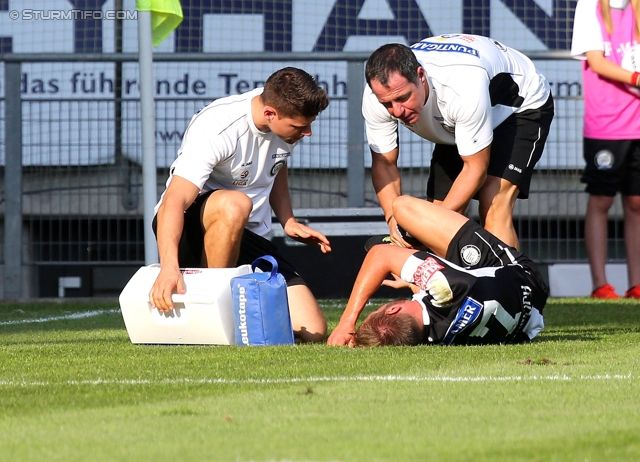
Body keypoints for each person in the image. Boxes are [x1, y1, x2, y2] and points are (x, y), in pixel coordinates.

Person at [149, 67, 332, 342]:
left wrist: (288, 220)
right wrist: (168, 267)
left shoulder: (285, 124)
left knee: (314, 330)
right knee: (235, 204)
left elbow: (275, 166)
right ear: (270, 113)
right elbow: (174, 201)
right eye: (300, 127)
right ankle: (208, 320)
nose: (308, 133)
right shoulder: (219, 125)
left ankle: (227, 316)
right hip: (194, 230)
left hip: (248, 236)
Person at [363, 34, 555, 249]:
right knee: (437, 208)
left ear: (421, 76)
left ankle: (513, 282)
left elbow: (476, 167)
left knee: (493, 204)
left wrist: (427, 227)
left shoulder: (462, 86)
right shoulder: (376, 97)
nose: (397, 111)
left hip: (518, 107)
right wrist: (395, 224)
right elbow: (384, 164)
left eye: (403, 98)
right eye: (387, 103)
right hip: (461, 119)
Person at [327, 196, 548, 347]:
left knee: (435, 282)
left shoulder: (437, 338)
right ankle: (415, 247)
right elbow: (379, 254)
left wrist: (413, 284)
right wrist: (348, 321)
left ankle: (416, 253)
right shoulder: (444, 287)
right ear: (393, 309)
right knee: (403, 208)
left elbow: (432, 312)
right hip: (523, 277)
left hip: (529, 313)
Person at [571, 0, 640, 299]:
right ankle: (600, 284)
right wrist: (637, 78)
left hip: (637, 122)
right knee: (602, 199)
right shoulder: (589, 6)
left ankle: (636, 283)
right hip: (606, 125)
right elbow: (597, 62)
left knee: (637, 203)